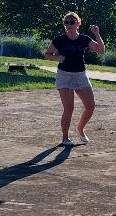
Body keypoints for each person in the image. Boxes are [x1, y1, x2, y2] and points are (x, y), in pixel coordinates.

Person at [44, 11, 105, 146]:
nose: (69, 24)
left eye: (72, 22)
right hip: (64, 75)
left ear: (78, 23)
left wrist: (97, 34)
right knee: (69, 108)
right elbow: (47, 54)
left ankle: (80, 129)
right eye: (66, 22)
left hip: (80, 75)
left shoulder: (84, 39)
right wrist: (57, 57)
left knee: (90, 106)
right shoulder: (59, 40)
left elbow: (101, 50)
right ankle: (65, 138)